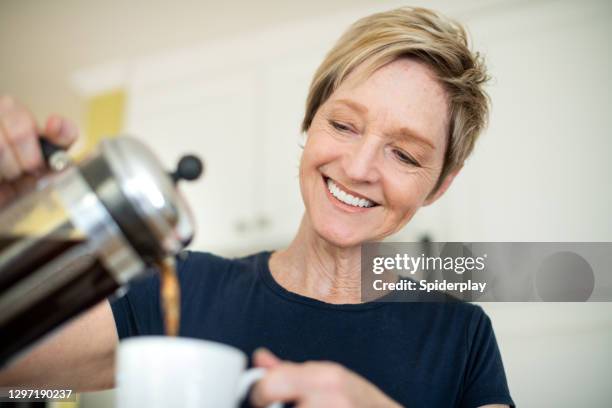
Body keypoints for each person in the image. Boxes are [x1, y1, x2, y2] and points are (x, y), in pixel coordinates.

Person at [0, 6, 514, 408]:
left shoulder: (460, 334)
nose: (359, 167)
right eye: (342, 125)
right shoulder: (179, 285)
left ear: (440, 184)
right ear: (309, 125)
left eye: (403, 154)